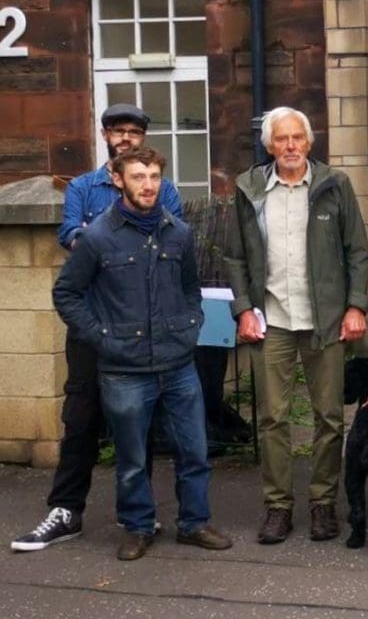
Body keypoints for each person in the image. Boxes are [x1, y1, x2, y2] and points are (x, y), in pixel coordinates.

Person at [13, 103, 182, 552]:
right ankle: (66, 510)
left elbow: (172, 234)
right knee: (81, 416)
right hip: (93, 322)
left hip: (143, 324)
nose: (126, 138)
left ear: (143, 138)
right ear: (105, 135)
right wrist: (102, 237)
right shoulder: (83, 187)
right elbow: (70, 235)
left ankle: (140, 518)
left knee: (139, 421)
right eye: (118, 130)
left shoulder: (161, 188)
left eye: (134, 131)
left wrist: (96, 236)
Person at [51, 147, 232, 561]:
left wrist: (190, 326)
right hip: (124, 369)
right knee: (132, 459)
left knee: (195, 451)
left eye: (154, 176)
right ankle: (136, 526)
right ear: (118, 180)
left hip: (178, 363)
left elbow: (190, 289)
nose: (148, 185)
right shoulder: (97, 237)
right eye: (138, 176)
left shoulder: (178, 233)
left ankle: (194, 523)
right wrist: (101, 337)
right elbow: (66, 293)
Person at [224, 106, 368, 546]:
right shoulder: (248, 189)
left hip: (324, 320)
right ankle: (278, 507)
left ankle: (323, 502)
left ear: (310, 143)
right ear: (269, 145)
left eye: (298, 138)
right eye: (282, 139)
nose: (290, 146)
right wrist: (243, 309)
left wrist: (356, 306)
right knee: (273, 417)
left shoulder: (334, 185)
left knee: (329, 417)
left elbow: (359, 252)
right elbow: (233, 256)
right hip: (272, 320)